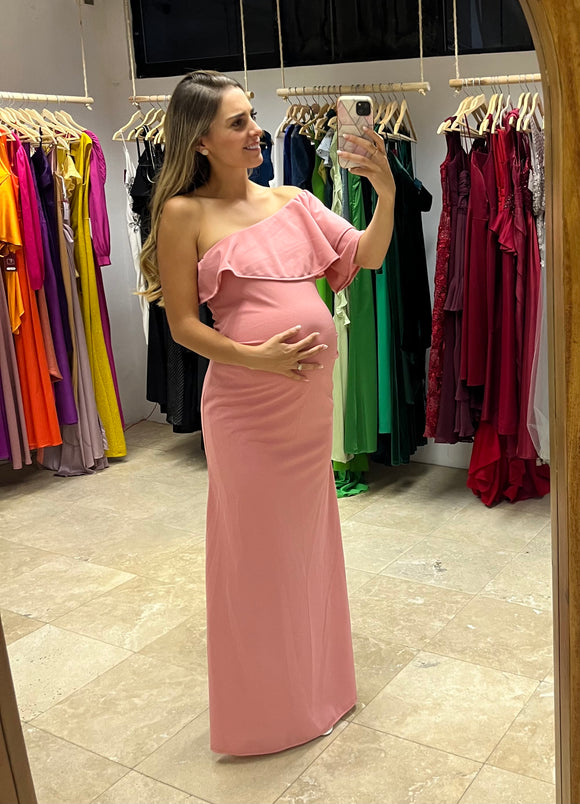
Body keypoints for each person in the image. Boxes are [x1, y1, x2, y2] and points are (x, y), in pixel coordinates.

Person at [140, 70, 395, 756]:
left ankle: (320, 689)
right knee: (256, 555)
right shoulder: (183, 214)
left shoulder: (295, 200)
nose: (257, 131)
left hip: (306, 408)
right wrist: (257, 358)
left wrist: (386, 191)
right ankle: (264, 713)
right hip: (247, 411)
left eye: (253, 115)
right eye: (238, 122)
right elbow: (184, 326)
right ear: (200, 140)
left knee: (307, 545)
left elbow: (368, 255)